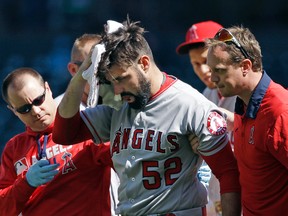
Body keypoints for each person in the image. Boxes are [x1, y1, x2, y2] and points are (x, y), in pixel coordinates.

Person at [52, 18, 241, 216]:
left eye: (122, 78)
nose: (116, 89)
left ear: (143, 63)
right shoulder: (119, 105)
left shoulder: (190, 104)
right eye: (112, 81)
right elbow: (64, 134)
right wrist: (83, 71)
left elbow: (228, 173)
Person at [0, 68, 113, 216]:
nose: (36, 111)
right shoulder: (14, 148)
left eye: (38, 100)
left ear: (48, 88)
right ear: (13, 110)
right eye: (24, 109)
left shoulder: (86, 127)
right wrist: (26, 182)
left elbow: (127, 162)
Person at [206, 26, 288, 215]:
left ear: (245, 66)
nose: (212, 78)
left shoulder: (279, 111)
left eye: (219, 70)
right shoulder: (244, 105)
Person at [54, 33, 120, 214]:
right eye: (92, 66)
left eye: (106, 64)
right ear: (74, 70)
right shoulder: (55, 115)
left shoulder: (123, 102)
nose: (101, 73)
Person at [176, 21, 237, 216]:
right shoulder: (205, 96)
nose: (203, 70)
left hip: (246, 199)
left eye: (205, 61)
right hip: (215, 201)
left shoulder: (244, 93)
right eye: (196, 64)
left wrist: (231, 120)